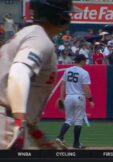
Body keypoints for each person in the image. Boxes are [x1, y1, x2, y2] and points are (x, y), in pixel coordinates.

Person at [0, 0, 78, 149]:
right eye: (68, 14)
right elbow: (18, 72)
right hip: (5, 123)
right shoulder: (39, 39)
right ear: (58, 16)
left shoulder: (27, 33)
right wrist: (19, 121)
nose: (70, 18)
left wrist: (38, 136)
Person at [56, 54, 94, 149]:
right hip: (79, 97)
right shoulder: (84, 72)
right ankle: (76, 144)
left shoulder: (67, 70)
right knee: (78, 121)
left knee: (69, 120)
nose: (85, 63)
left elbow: (63, 85)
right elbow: (86, 87)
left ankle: (60, 137)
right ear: (81, 61)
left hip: (68, 97)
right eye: (85, 61)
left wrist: (61, 97)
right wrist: (90, 100)